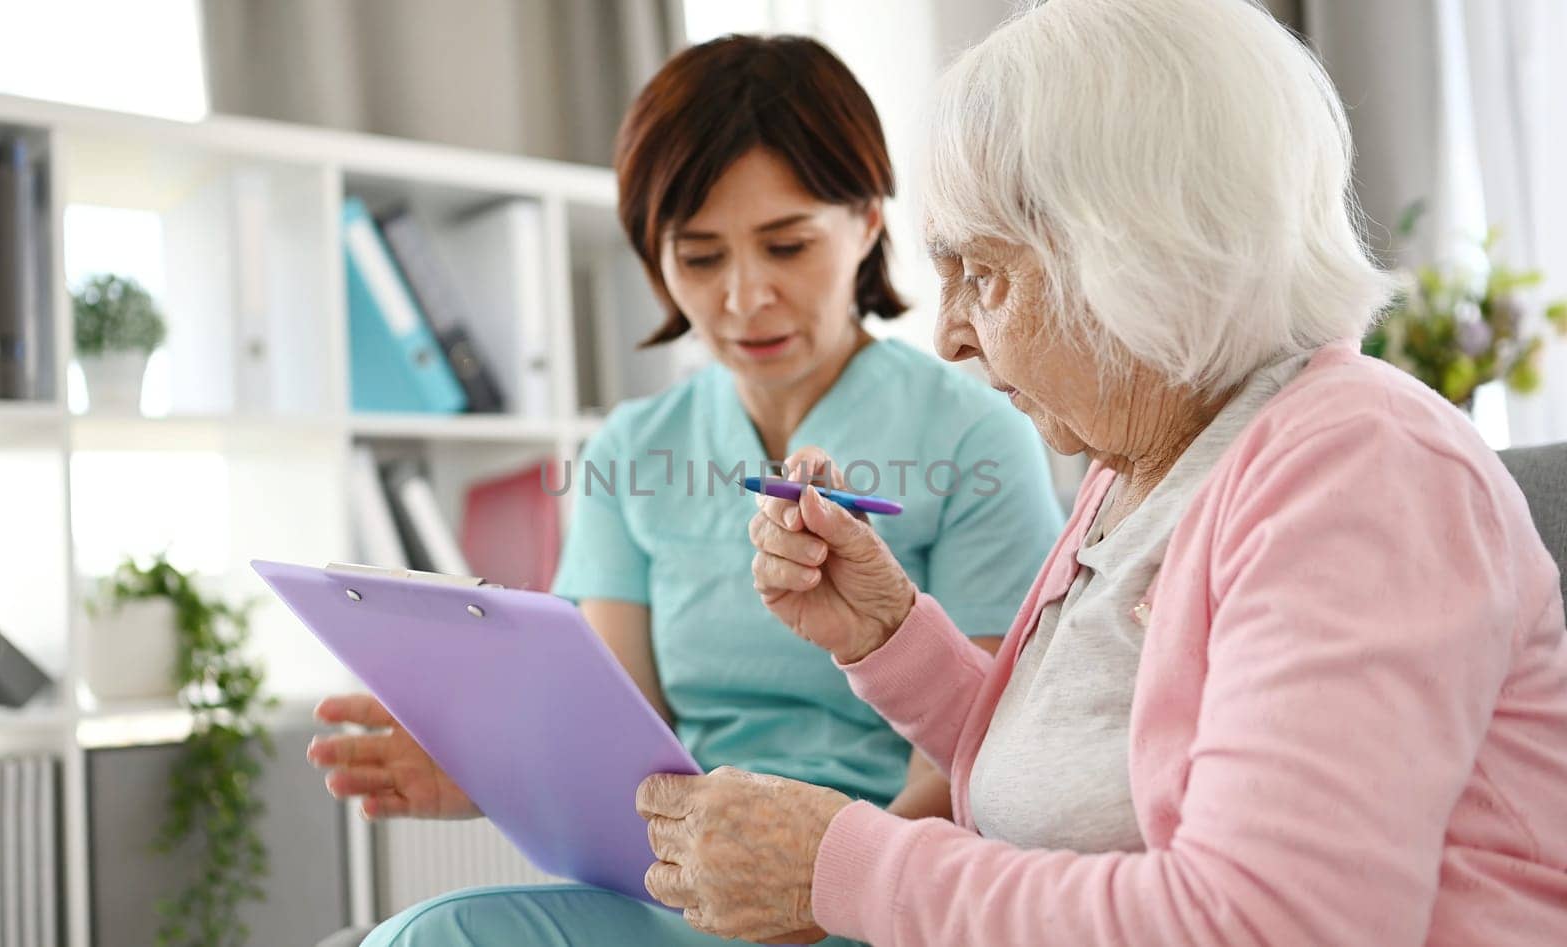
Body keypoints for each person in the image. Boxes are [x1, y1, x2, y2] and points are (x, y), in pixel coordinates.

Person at [639, 1, 1567, 944]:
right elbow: (1062, 785)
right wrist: (889, 632)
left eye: (983, 275)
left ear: (1136, 249)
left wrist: (839, 866)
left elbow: (1272, 922)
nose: (950, 334)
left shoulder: (1361, 469)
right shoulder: (1140, 467)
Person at [310, 33, 1064, 945]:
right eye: (701, 257)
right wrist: (491, 776)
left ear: (867, 221)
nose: (746, 297)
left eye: (786, 245)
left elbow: (971, 764)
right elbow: (613, 742)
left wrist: (810, 889)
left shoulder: (977, 436)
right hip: (683, 891)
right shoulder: (633, 449)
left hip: (875, 893)